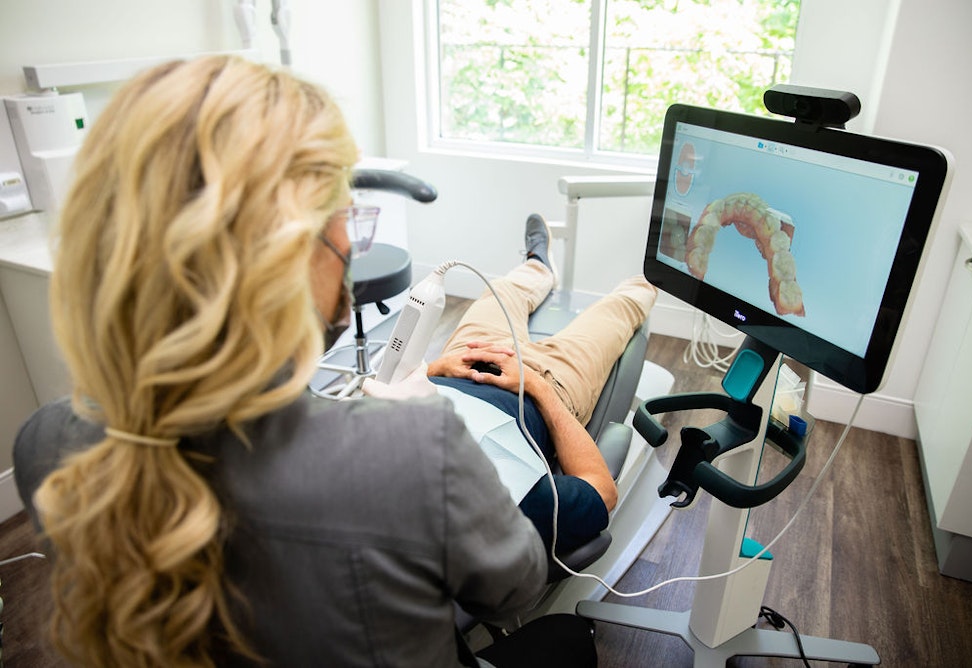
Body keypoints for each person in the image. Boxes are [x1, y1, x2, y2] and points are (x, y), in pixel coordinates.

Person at [12, 55, 596, 668]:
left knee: (512, 294)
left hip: (457, 386)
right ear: (282, 256)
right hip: (518, 405)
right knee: (564, 642)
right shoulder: (416, 450)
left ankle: (537, 266)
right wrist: (417, 423)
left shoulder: (44, 447)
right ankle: (559, 272)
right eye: (345, 217)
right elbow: (518, 588)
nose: (349, 243)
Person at [370, 215, 658, 556]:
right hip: (548, 383)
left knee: (503, 291)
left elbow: (384, 393)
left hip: (461, 364)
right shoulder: (511, 500)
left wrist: (434, 368)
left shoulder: (362, 458)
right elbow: (602, 492)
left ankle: (538, 265)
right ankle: (656, 271)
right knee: (620, 309)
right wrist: (537, 385)